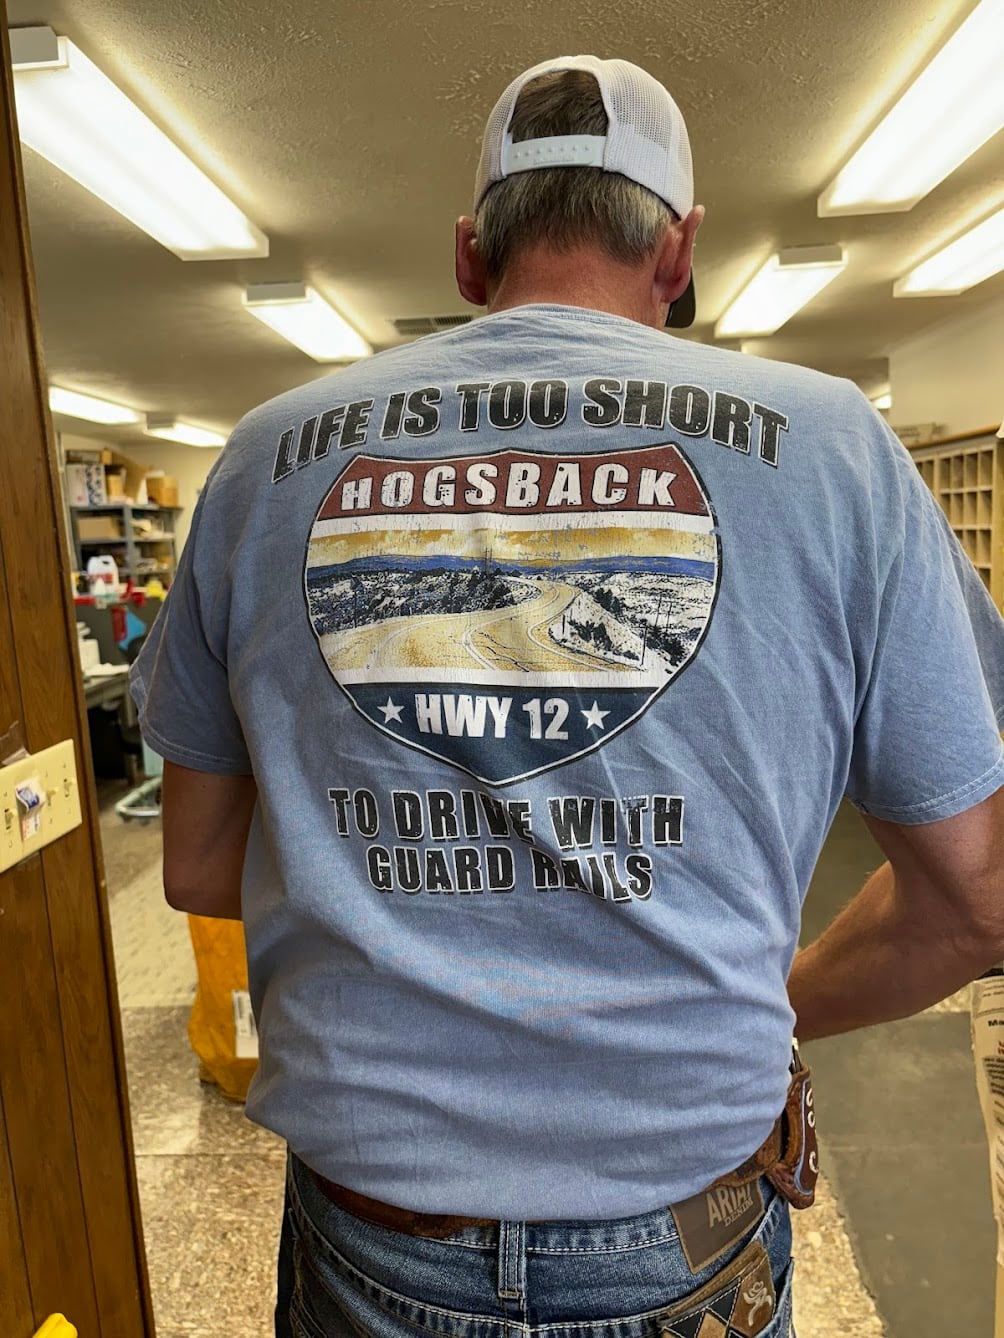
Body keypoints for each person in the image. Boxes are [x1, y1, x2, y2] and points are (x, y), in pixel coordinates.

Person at [131, 54, 1004, 1338]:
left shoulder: (264, 457)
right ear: (678, 253)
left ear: (470, 257)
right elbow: (977, 896)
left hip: (373, 1219)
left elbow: (199, 868)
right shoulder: (831, 449)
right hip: (684, 1226)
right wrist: (766, 1001)